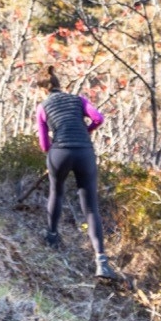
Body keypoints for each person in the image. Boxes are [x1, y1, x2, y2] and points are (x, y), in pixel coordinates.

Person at [37, 65, 119, 281]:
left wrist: (55, 150)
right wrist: (85, 132)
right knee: (91, 207)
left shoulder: (43, 106)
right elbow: (98, 118)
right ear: (59, 86)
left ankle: (52, 237)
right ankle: (101, 261)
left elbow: (44, 144)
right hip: (84, 152)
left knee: (57, 192)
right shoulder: (78, 100)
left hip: (60, 152)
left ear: (42, 90)